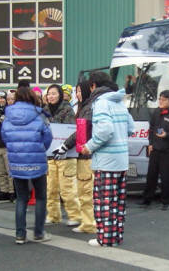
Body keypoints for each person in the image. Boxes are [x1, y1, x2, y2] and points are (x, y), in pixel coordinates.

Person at [80, 71, 134, 247]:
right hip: (121, 159)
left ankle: (104, 238)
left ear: (94, 85)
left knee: (104, 202)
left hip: (106, 161)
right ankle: (116, 237)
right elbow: (130, 128)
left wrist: (89, 146)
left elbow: (105, 131)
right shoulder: (119, 102)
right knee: (117, 203)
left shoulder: (101, 103)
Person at [1, 87, 53, 244]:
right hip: (37, 161)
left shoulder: (8, 116)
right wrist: (40, 148)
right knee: (41, 197)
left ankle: (20, 234)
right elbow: (48, 137)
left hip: (17, 162)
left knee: (21, 198)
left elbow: (4, 137)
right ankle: (38, 233)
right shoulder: (39, 115)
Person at [55, 80, 95, 233]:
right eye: (76, 91)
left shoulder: (88, 108)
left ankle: (89, 224)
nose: (77, 94)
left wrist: (65, 145)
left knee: (86, 191)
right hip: (82, 154)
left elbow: (81, 131)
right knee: (83, 191)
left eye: (80, 91)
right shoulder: (83, 107)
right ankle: (87, 222)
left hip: (86, 154)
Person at [139, 90, 169, 211]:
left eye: (163, 99)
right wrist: (150, 143)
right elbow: (151, 129)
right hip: (155, 149)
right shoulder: (157, 112)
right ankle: (147, 199)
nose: (160, 101)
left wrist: (167, 135)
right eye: (159, 99)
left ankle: (167, 201)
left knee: (167, 177)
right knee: (151, 176)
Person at [42, 84, 80, 226]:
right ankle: (53, 215)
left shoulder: (67, 109)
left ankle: (75, 215)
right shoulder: (44, 111)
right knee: (51, 188)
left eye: (53, 93)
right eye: (49, 94)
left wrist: (64, 147)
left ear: (60, 94)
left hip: (66, 155)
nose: (50, 96)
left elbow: (72, 131)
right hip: (50, 155)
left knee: (67, 188)